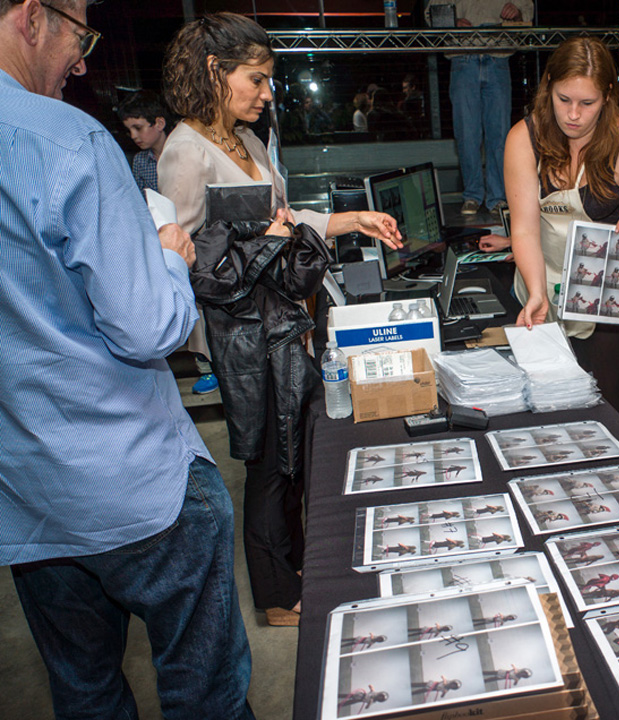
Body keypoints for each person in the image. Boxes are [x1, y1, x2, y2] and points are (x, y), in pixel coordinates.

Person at [0, 1, 255, 717]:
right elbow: (147, 331)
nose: (82, 62)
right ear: (30, 17)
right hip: (136, 484)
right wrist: (169, 261)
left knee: (84, 692)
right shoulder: (67, 139)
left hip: (26, 495)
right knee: (205, 694)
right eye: (79, 36)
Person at [158, 12, 402, 627]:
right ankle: (275, 592)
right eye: (257, 79)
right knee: (269, 466)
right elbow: (189, 266)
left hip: (285, 328)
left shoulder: (248, 139)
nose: (268, 94)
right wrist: (260, 242)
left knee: (297, 457)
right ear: (215, 73)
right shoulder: (185, 152)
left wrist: (353, 221)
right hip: (245, 341)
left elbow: (284, 217)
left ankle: (299, 564)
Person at [505, 37, 619, 436]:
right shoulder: (525, 137)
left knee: (607, 408)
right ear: (547, 86)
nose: (573, 115)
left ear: (607, 96)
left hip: (606, 300)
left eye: (587, 104)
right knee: (547, 409)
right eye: (564, 99)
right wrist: (536, 293)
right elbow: (524, 228)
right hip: (543, 282)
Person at [444, 0, 534, 215]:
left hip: (498, 57)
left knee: (500, 135)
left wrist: (518, 12)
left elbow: (528, 11)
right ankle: (472, 194)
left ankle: (498, 196)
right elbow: (433, 15)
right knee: (467, 134)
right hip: (462, 56)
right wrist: (451, 21)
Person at [117, 89, 171, 193]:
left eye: (138, 128)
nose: (133, 136)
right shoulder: (140, 161)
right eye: (129, 131)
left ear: (159, 124)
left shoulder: (180, 153)